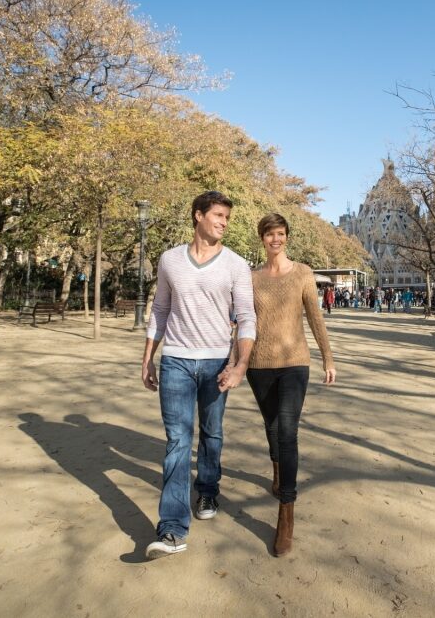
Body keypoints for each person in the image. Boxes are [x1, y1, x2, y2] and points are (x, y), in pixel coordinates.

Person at [141, 191, 257, 559]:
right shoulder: (169, 260)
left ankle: (207, 489)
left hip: (216, 363)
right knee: (177, 441)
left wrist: (239, 365)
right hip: (175, 359)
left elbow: (246, 318)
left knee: (212, 432)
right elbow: (160, 309)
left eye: (227, 217)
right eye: (218, 215)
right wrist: (147, 358)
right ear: (198, 215)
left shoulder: (236, 264)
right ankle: (172, 529)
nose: (224, 222)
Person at [248, 213, 335, 556]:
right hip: (259, 365)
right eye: (270, 234)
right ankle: (277, 467)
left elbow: (315, 315)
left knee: (287, 431)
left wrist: (328, 357)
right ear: (262, 238)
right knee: (271, 427)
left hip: (295, 363)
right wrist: (235, 361)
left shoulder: (302, 273)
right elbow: (242, 321)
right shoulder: (251, 277)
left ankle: (286, 511)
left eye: (281, 234)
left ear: (287, 237)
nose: (276, 239)